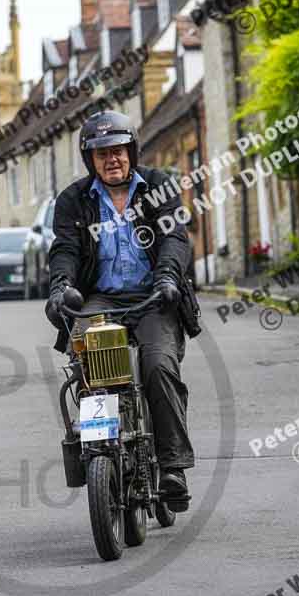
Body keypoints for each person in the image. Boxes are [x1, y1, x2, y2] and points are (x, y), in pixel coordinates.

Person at [45, 110, 194, 509]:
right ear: (89, 159)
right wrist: (62, 288)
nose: (113, 159)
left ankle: (173, 466)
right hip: (101, 299)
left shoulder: (158, 186)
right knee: (91, 364)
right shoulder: (73, 200)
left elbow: (175, 237)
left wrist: (167, 278)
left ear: (132, 150)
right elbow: (65, 250)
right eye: (102, 153)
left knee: (159, 365)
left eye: (119, 150)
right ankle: (99, 445)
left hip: (153, 295)